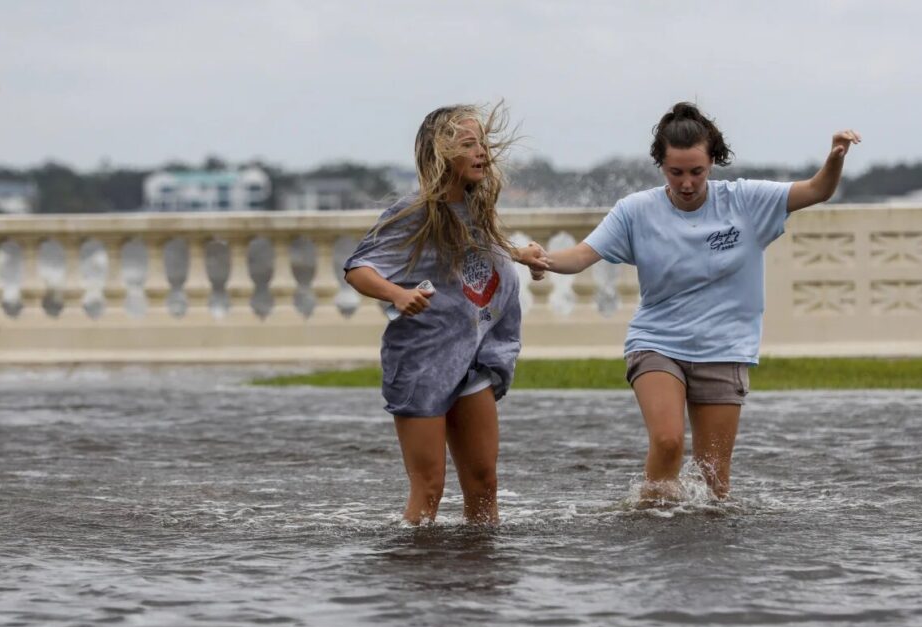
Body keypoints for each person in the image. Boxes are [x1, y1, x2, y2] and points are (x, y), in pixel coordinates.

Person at [530, 102, 860, 503]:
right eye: (676, 173)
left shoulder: (746, 201)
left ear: (713, 163)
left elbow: (817, 190)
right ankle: (649, 523)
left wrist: (835, 158)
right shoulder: (636, 211)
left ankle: (701, 558)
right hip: (657, 343)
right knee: (668, 442)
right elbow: (581, 255)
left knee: (714, 482)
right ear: (661, 166)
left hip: (724, 348)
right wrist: (543, 259)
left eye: (696, 172)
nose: (686, 183)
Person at [343, 103, 546, 524]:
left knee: (485, 484)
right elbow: (358, 269)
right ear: (441, 154)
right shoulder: (413, 213)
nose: (481, 153)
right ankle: (417, 577)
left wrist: (518, 254)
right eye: (468, 144)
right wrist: (396, 295)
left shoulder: (475, 210)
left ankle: (480, 578)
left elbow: (477, 252)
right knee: (430, 488)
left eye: (483, 144)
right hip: (422, 364)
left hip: (472, 361)